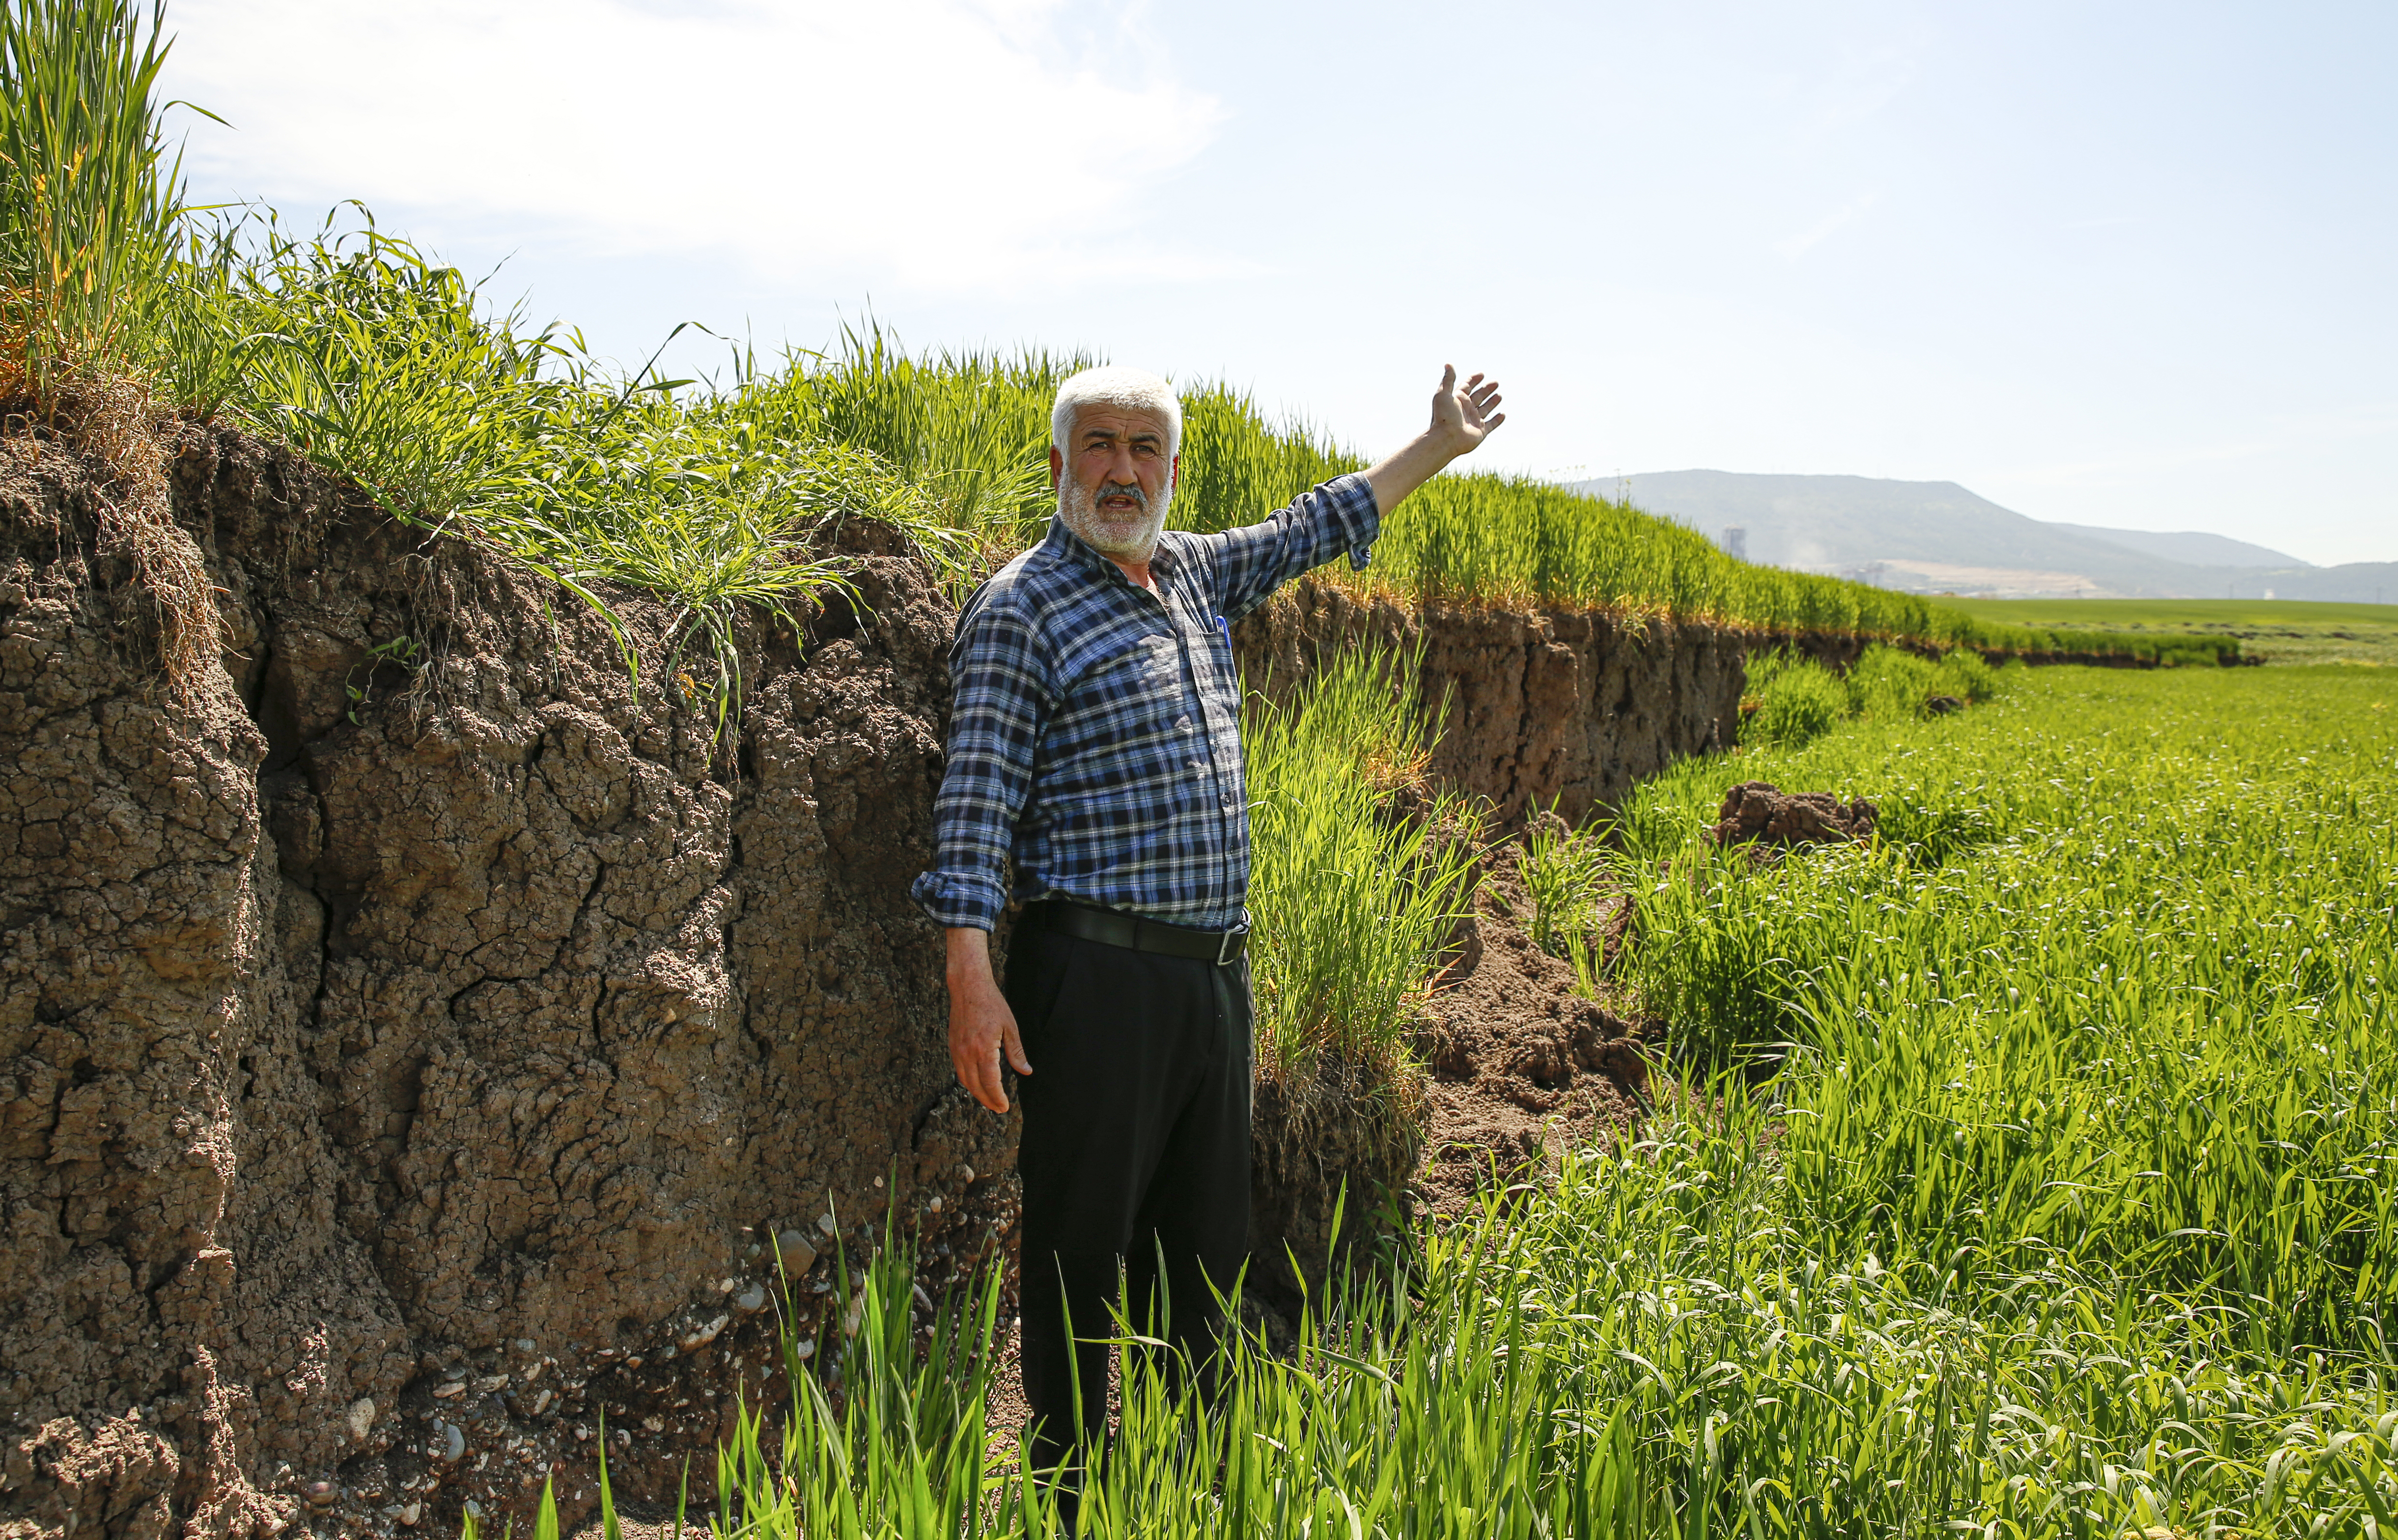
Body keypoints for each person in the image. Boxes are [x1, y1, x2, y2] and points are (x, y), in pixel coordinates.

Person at [910, 362, 1505, 1491]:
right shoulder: (1023, 606)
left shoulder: (1188, 575)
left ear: (1174, 471)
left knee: (1206, 1253)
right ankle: (1067, 1487)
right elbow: (976, 802)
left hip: (1212, 982)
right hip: (1091, 979)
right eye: (1099, 445)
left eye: (1145, 448)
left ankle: (1193, 1479)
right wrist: (969, 975)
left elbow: (1315, 521)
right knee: (1080, 1247)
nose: (1123, 469)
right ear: (1057, 465)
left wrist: (1433, 446)